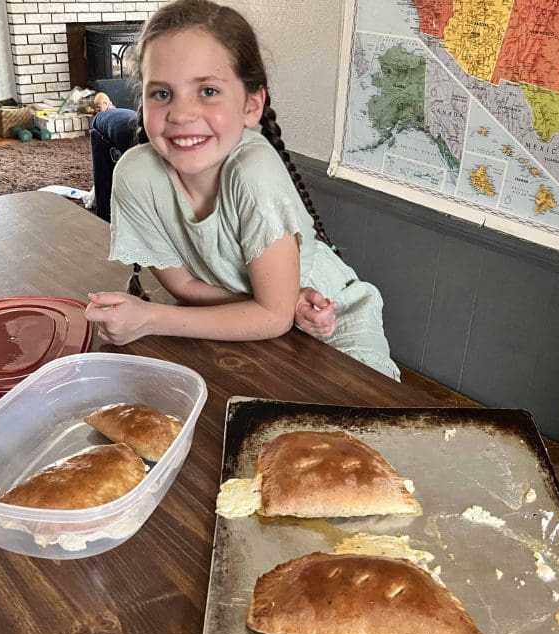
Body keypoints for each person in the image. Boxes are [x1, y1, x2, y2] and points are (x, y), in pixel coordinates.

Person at [84, 0, 399, 380]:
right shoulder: (135, 176)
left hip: (333, 320)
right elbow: (185, 286)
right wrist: (279, 306)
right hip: (255, 321)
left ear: (251, 105)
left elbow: (271, 316)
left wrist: (149, 318)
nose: (182, 114)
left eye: (208, 91)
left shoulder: (254, 172)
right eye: (162, 94)